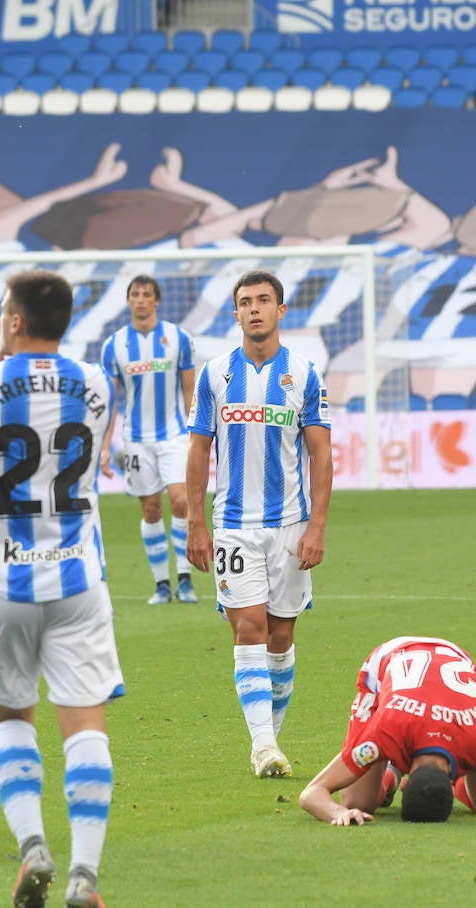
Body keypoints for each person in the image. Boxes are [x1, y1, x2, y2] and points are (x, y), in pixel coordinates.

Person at [0, 269, 123, 908]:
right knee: (84, 725)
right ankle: (85, 875)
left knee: (12, 719)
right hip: (79, 579)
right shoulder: (100, 384)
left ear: (15, 321)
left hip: (3, 583)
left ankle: (31, 847)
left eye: (2, 311)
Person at [185, 270, 333, 778]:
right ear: (236, 313)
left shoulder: (306, 375)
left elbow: (321, 454)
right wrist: (195, 525)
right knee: (248, 627)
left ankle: (267, 739)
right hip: (232, 525)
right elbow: (199, 450)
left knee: (281, 635)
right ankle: (265, 746)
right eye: (245, 302)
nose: (254, 309)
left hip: (291, 525)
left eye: (263, 300)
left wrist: (317, 527)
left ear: (281, 310)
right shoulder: (214, 375)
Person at [298, 636, 476, 825]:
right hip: (390, 659)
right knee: (358, 802)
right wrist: (339, 811)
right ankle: (391, 775)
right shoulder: (383, 733)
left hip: (448, 659)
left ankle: (391, 776)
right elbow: (310, 793)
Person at [99, 273, 199, 606]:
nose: (140, 299)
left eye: (146, 294)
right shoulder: (114, 346)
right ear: (129, 301)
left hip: (174, 434)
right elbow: (111, 401)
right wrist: (105, 445)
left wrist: (198, 434)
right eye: (135, 294)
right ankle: (161, 584)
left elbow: (189, 389)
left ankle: (184, 579)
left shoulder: (178, 338)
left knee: (180, 499)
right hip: (137, 438)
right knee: (152, 508)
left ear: (156, 300)